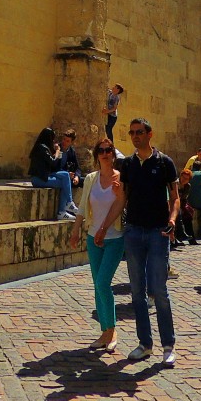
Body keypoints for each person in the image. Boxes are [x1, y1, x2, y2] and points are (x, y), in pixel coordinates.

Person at [98, 117, 179, 366]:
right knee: (136, 292)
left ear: (149, 134)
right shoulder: (128, 164)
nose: (135, 136)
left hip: (158, 232)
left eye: (139, 132)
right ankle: (145, 344)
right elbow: (121, 199)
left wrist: (173, 219)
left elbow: (175, 196)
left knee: (159, 290)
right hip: (133, 232)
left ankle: (168, 345)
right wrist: (104, 227)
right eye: (132, 132)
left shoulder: (165, 162)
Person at [69, 138, 124, 352]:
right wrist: (76, 230)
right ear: (96, 155)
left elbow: (123, 205)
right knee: (97, 285)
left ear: (113, 153)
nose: (104, 153)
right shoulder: (91, 178)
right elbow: (83, 207)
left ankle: (112, 330)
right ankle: (105, 331)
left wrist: (120, 194)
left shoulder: (121, 178)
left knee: (103, 283)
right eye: (100, 150)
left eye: (108, 150)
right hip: (93, 238)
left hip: (114, 238)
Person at [28, 128, 79, 221]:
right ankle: (65, 208)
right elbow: (53, 163)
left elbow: (77, 167)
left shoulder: (46, 147)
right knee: (65, 180)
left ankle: (66, 208)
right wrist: (58, 152)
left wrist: (76, 176)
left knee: (66, 178)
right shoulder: (42, 148)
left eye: (67, 141)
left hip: (44, 176)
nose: (53, 141)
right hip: (39, 179)